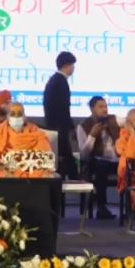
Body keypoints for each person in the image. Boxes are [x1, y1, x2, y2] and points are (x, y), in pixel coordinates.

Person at [76, 96, 124, 219]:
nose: (105, 109)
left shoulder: (114, 119)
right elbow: (84, 155)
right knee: (100, 166)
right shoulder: (83, 126)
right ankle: (101, 208)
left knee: (129, 166)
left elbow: (129, 121)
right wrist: (92, 135)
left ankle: (130, 208)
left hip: (115, 160)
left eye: (106, 106)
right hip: (97, 163)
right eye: (101, 107)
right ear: (92, 109)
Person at [0, 102, 55, 178]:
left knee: (44, 176)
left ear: (24, 116)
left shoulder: (36, 132)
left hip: (33, 169)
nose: (16, 117)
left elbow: (46, 155)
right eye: (12, 114)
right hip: (8, 170)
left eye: (19, 114)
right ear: (7, 116)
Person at [43, 51, 79, 179]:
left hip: (54, 125)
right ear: (66, 65)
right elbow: (63, 108)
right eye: (72, 65)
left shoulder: (54, 80)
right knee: (65, 156)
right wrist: (70, 126)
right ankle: (75, 178)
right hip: (59, 126)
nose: (73, 68)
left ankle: (72, 176)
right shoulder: (60, 82)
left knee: (64, 156)